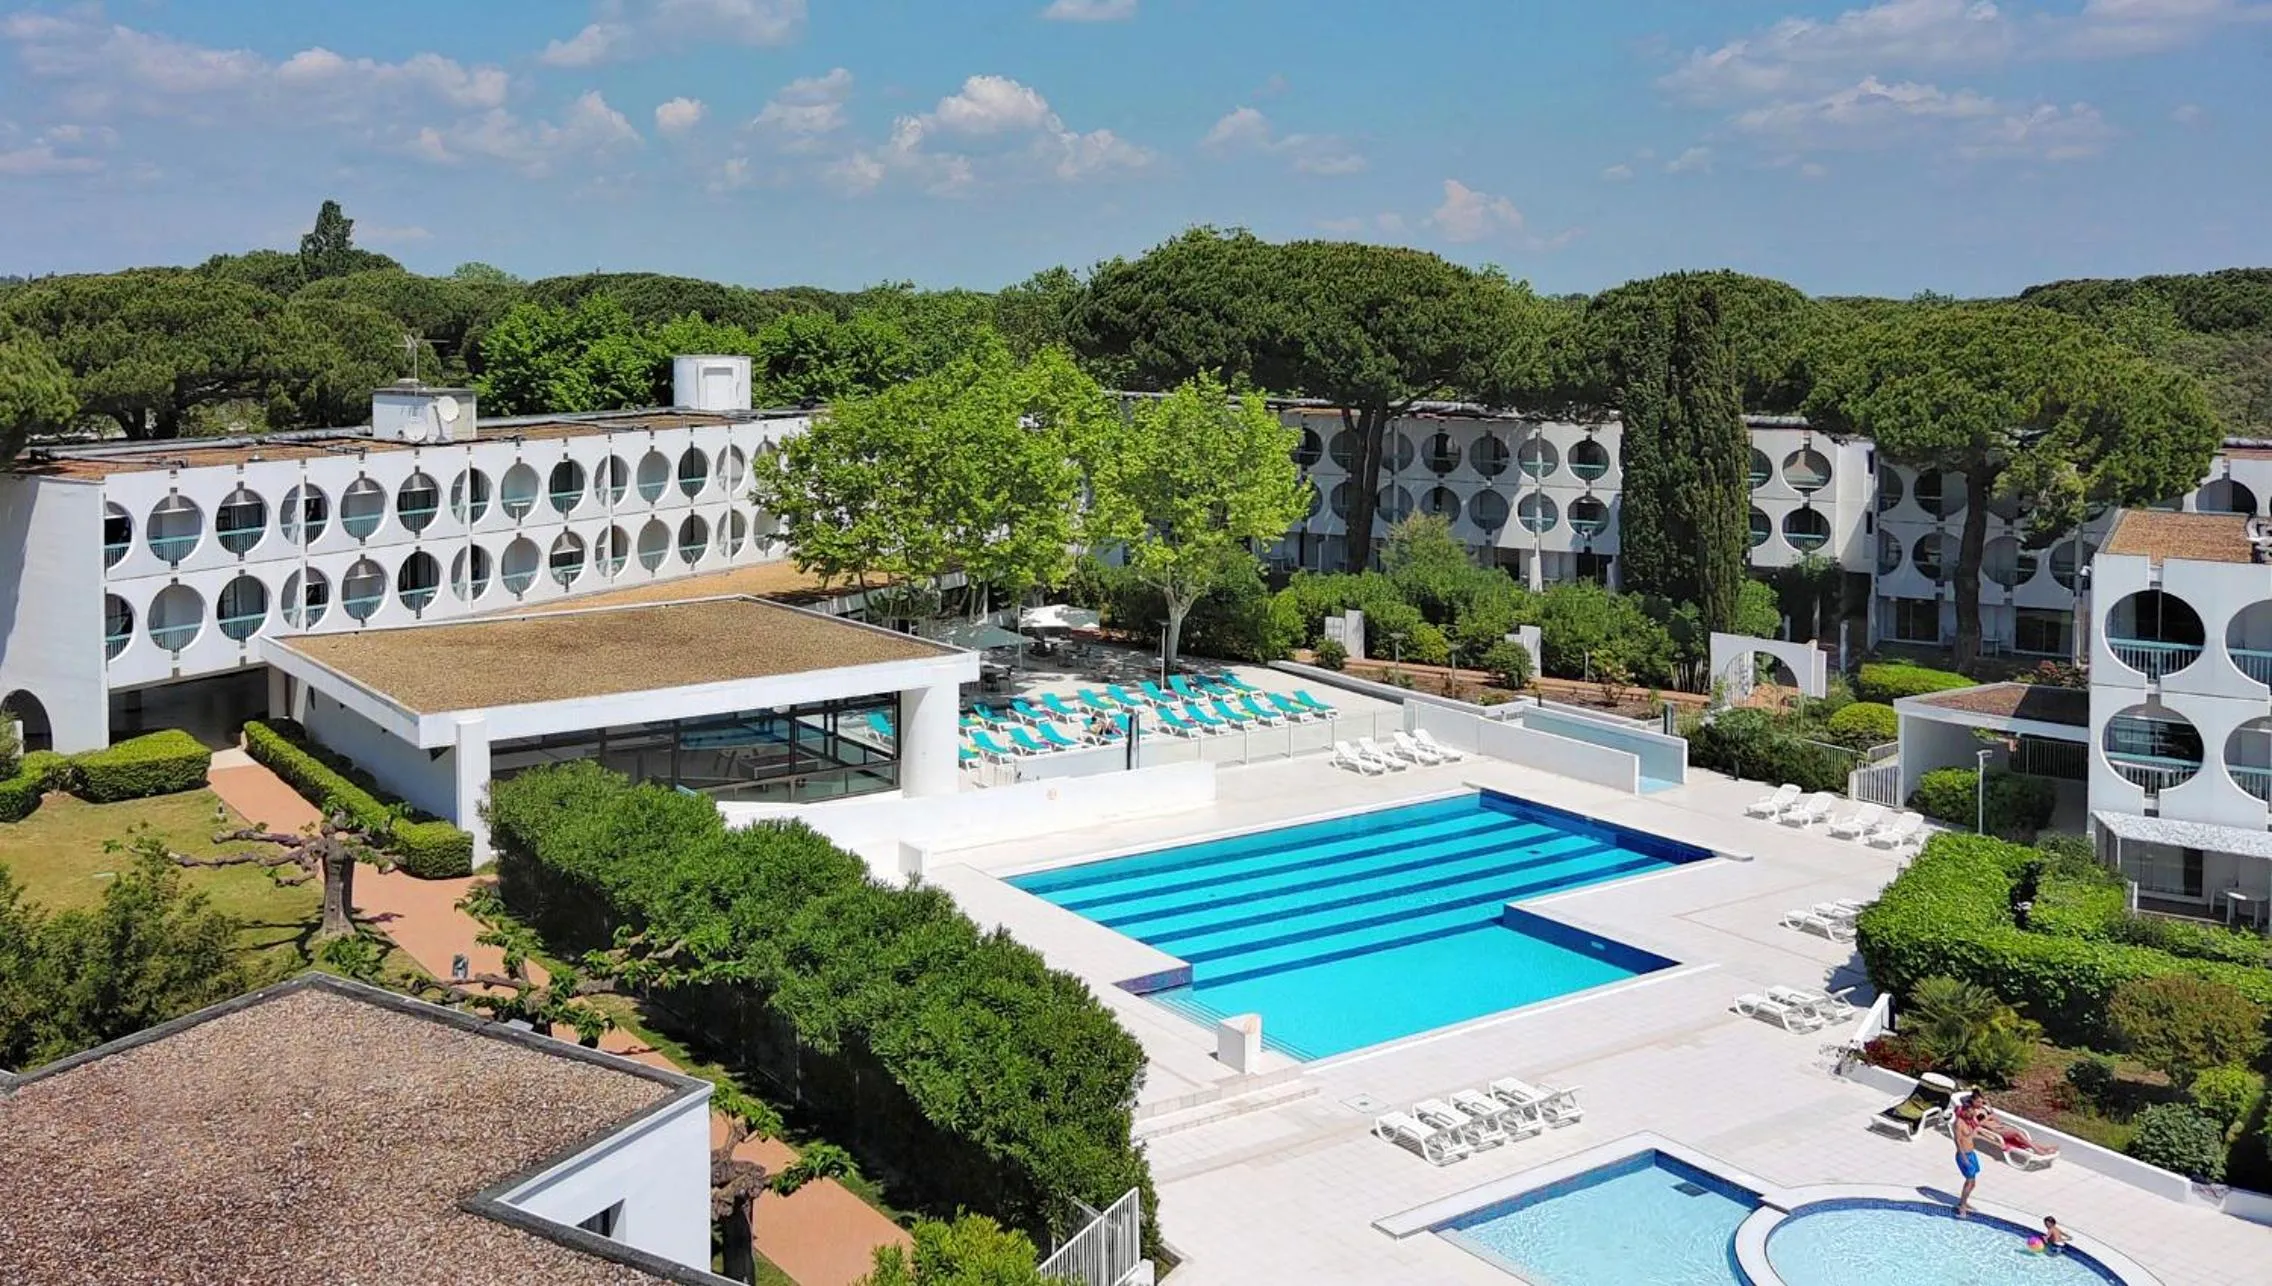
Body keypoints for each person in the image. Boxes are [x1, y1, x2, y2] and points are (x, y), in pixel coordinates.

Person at [1953, 1101, 1983, 1215]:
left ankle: (1963, 1201)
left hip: (1972, 1154)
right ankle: (1962, 1206)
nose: (1972, 1114)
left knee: (1973, 1183)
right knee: (1969, 1181)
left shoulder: (1968, 1122)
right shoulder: (1958, 1123)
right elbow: (1958, 1140)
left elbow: (1972, 1135)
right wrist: (1963, 1157)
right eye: (1970, 1111)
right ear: (1965, 1111)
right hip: (1963, 1155)